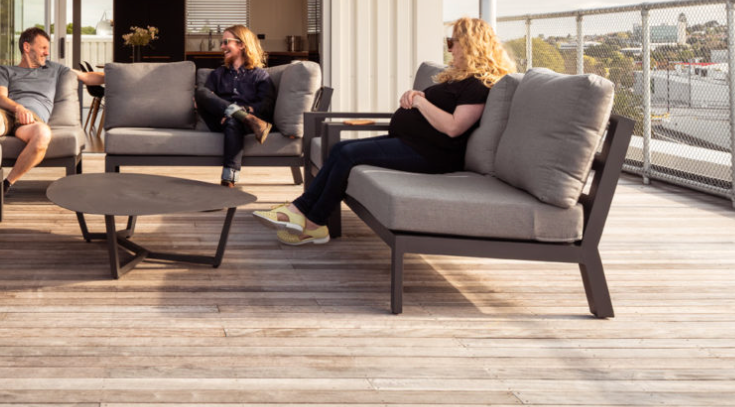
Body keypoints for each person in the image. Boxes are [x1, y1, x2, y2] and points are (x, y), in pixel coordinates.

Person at [255, 15, 514, 245]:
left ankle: (305, 215)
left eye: (452, 43)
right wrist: (415, 95)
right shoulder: (458, 77)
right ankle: (312, 223)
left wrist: (420, 101)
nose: (449, 49)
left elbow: (454, 127)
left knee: (347, 155)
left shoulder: (480, 83)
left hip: (431, 154)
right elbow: (433, 105)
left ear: (470, 45)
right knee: (341, 148)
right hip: (411, 142)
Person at [0, 26, 105, 186]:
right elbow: (0, 98)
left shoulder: (55, 69)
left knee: (43, 133)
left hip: (32, 121)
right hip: (7, 114)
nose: (47, 52)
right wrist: (18, 108)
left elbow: (87, 77)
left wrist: (115, 74)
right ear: (27, 47)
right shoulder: (5, 71)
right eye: (43, 48)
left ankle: (4, 185)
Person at [195, 24, 275, 187]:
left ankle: (228, 181)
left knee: (234, 121)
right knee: (200, 92)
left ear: (241, 44)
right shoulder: (218, 73)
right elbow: (203, 100)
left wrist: (242, 111)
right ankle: (244, 118)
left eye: (226, 42)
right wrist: (226, 110)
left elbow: (265, 105)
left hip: (238, 124)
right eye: (222, 42)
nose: (222, 46)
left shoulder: (260, 75)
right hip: (219, 121)